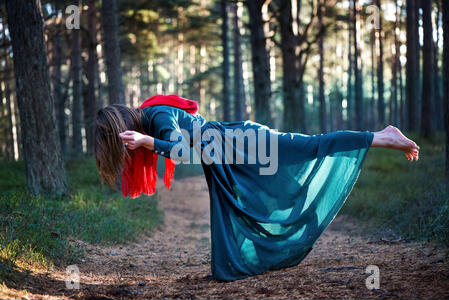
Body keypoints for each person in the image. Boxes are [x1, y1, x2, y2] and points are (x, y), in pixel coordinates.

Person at [94, 95, 419, 281]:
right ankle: (270, 247)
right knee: (265, 198)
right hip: (227, 156)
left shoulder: (157, 117)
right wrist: (148, 142)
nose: (128, 150)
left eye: (123, 141)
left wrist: (148, 142)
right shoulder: (152, 118)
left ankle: (381, 136)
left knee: (307, 148)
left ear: (126, 126)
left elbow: (180, 152)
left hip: (242, 144)